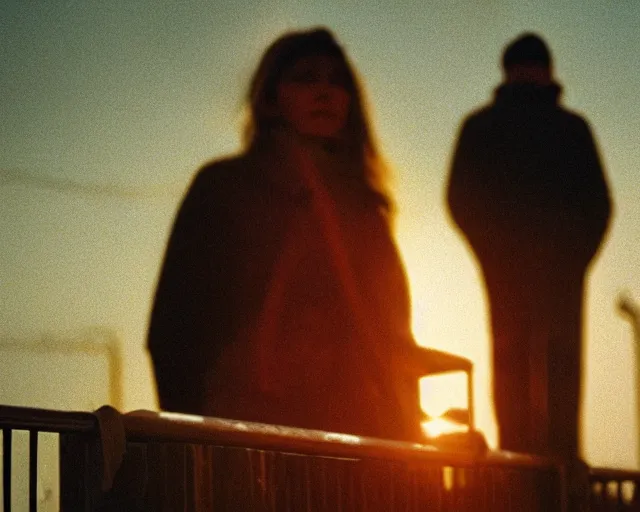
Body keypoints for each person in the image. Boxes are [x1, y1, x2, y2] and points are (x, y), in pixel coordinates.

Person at [147, 27, 425, 442]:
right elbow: (176, 324)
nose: (325, 92)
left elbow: (392, 334)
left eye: (337, 81)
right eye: (306, 77)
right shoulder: (226, 187)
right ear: (272, 99)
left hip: (359, 436)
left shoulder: (364, 208)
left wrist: (408, 435)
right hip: (252, 428)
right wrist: (199, 435)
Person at [446, 33, 612, 460]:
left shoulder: (490, 126)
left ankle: (550, 470)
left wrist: (570, 259)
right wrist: (499, 254)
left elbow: (597, 205)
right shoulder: (566, 128)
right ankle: (533, 469)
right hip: (531, 270)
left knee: (545, 367)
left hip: (548, 270)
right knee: (523, 366)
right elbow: (463, 198)